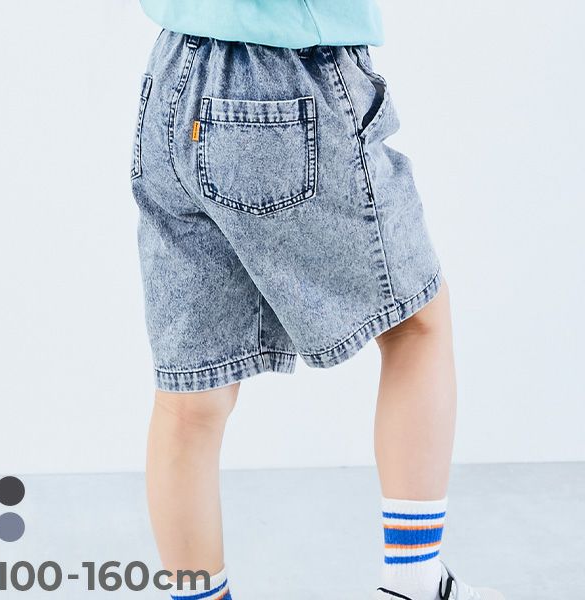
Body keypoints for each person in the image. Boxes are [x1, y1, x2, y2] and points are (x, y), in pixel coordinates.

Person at [130, 1, 504, 599]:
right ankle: (414, 582)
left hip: (171, 81)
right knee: (417, 325)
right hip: (284, 81)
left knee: (190, 399)